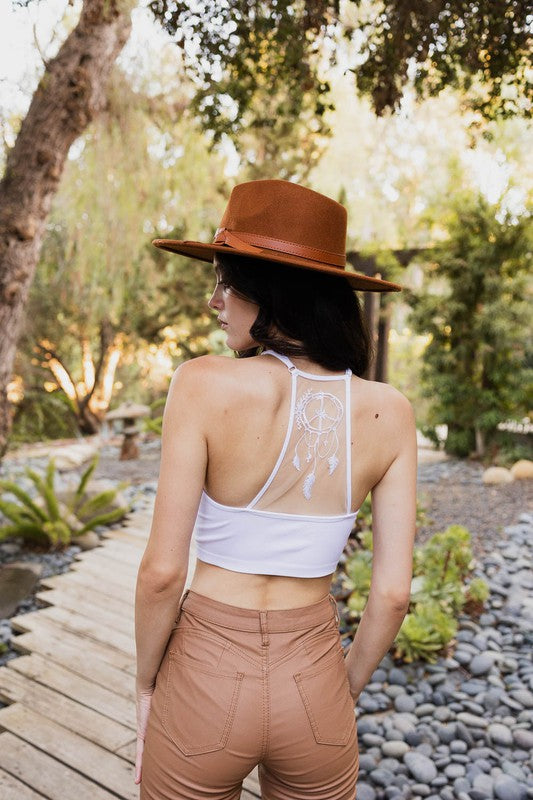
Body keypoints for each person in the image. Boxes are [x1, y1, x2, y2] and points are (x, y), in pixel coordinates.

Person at [134, 179, 417, 800]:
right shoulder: (390, 411)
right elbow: (393, 594)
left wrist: (147, 684)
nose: (214, 301)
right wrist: (339, 691)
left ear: (271, 291)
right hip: (314, 678)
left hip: (205, 676)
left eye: (226, 283)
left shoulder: (201, 384)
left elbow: (161, 573)